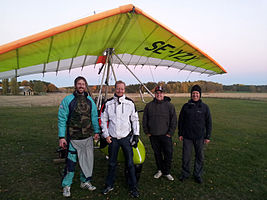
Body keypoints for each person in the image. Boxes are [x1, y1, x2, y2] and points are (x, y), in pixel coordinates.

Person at [58, 76, 100, 197]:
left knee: (86, 161)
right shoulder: (68, 100)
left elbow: (94, 117)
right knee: (71, 163)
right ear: (75, 85)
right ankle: (67, 185)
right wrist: (61, 137)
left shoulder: (90, 101)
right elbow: (62, 119)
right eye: (79, 84)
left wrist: (96, 131)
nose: (81, 86)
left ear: (85, 86)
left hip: (87, 138)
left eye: (83, 84)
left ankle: (85, 181)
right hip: (73, 138)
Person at [100, 80, 140, 198]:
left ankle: (133, 187)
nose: (120, 91)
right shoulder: (108, 103)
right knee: (112, 163)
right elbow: (103, 119)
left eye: (122, 89)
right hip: (113, 139)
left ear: (124, 89)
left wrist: (136, 134)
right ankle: (109, 185)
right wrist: (106, 135)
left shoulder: (130, 103)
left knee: (130, 164)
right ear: (114, 89)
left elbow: (135, 120)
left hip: (126, 138)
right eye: (118, 88)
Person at [178, 85, 212, 184]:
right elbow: (181, 121)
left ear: (200, 95)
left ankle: (197, 174)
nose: (195, 95)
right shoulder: (186, 106)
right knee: (186, 157)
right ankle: (185, 174)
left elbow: (208, 122)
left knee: (199, 157)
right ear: (191, 95)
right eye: (193, 93)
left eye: (197, 93)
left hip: (200, 137)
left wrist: (207, 136)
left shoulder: (205, 107)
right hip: (187, 136)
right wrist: (180, 133)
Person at [142, 85, 177, 181]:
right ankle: (160, 170)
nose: (159, 95)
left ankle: (167, 172)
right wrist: (147, 132)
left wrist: (170, 133)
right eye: (157, 93)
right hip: (153, 135)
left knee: (168, 153)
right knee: (157, 154)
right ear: (155, 94)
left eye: (160, 93)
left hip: (166, 135)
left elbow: (173, 120)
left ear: (163, 94)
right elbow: (144, 119)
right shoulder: (149, 106)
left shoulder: (169, 106)